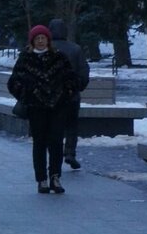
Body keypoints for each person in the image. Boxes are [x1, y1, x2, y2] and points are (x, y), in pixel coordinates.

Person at [8, 25, 76, 195]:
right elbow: (14, 82)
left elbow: (71, 79)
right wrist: (26, 94)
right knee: (39, 144)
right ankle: (41, 179)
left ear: (48, 40)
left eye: (43, 38)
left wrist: (66, 93)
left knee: (56, 142)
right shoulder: (26, 58)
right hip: (36, 108)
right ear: (32, 41)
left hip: (57, 107)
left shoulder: (59, 57)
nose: (40, 41)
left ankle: (55, 176)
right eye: (37, 38)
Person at [48, 19, 89, 170]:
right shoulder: (76, 49)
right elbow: (84, 72)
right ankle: (70, 152)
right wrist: (78, 88)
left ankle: (54, 154)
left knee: (53, 126)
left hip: (50, 96)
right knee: (72, 125)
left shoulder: (46, 48)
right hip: (71, 95)